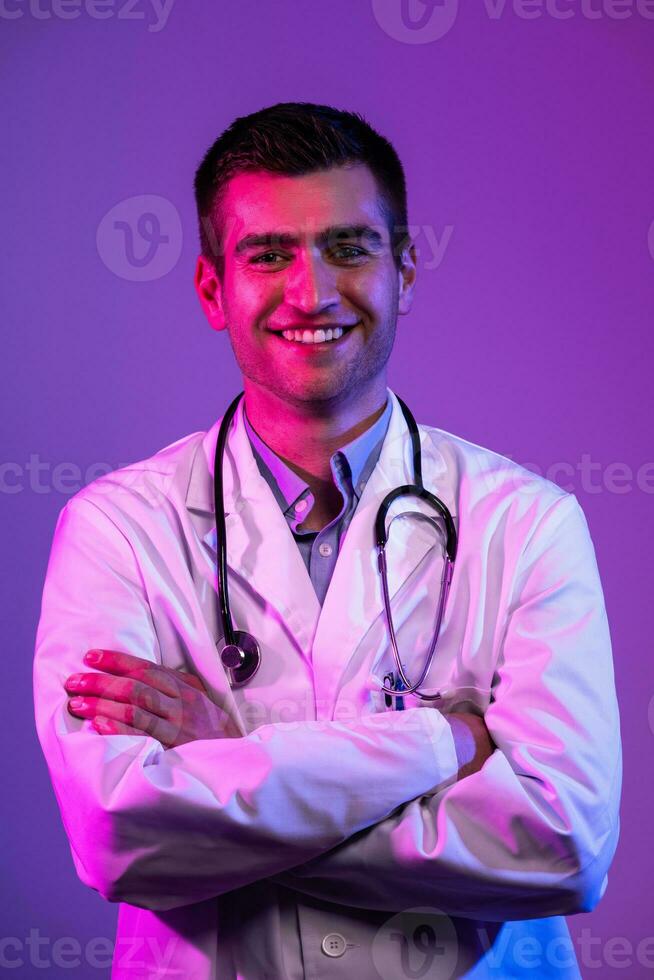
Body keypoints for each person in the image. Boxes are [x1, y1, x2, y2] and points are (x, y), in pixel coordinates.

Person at [33, 102, 622, 980]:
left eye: (349, 248)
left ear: (406, 271)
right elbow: (119, 839)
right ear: (211, 289)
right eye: (268, 254)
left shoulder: (529, 523)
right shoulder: (116, 529)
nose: (312, 293)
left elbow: (566, 844)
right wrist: (448, 745)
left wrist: (223, 760)